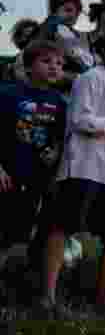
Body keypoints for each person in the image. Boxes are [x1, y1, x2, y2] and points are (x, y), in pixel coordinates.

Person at [38, 21, 105, 318]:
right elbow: (80, 121)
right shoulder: (90, 78)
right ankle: (47, 298)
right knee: (62, 228)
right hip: (82, 166)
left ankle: (104, 301)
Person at [0, 40, 67, 261]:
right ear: (28, 66)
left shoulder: (59, 102)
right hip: (6, 175)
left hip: (33, 181)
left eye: (59, 63)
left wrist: (55, 151)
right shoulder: (8, 94)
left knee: (13, 236)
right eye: (46, 61)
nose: (54, 67)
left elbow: (60, 137)